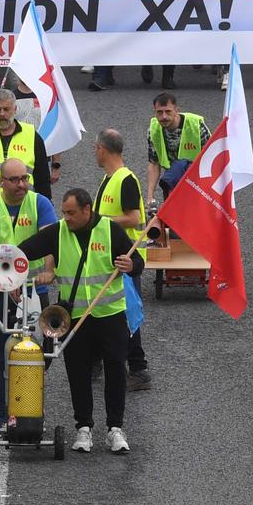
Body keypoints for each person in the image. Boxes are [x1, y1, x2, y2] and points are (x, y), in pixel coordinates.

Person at [17, 186, 143, 455]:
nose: (67, 218)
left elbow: (138, 262)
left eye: (71, 213)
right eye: (64, 212)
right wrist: (2, 265)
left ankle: (115, 429)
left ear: (87, 210)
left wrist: (131, 266)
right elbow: (23, 252)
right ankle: (83, 428)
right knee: (78, 373)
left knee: (115, 370)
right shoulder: (58, 232)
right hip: (74, 318)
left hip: (110, 315)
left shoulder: (111, 231)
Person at [0, 156, 58, 437]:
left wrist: (48, 270)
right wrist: (3, 280)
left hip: (34, 290)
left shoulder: (39, 203)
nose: (22, 185)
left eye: (25, 179)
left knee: (39, 352)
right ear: (1, 182)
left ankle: (29, 409)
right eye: (14, 180)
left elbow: (50, 242)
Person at [93, 129, 152, 390]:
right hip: (110, 255)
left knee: (127, 313)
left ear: (102, 149)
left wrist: (99, 221)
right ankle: (98, 360)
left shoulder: (125, 179)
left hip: (127, 257)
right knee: (103, 307)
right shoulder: (109, 179)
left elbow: (133, 218)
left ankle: (138, 369)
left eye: (96, 148)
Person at [147, 91, 207, 199]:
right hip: (172, 181)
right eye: (159, 112)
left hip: (197, 180)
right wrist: (150, 196)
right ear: (154, 112)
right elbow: (154, 163)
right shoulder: (154, 130)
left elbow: (212, 157)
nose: (164, 116)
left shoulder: (196, 126)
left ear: (176, 111)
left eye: (168, 111)